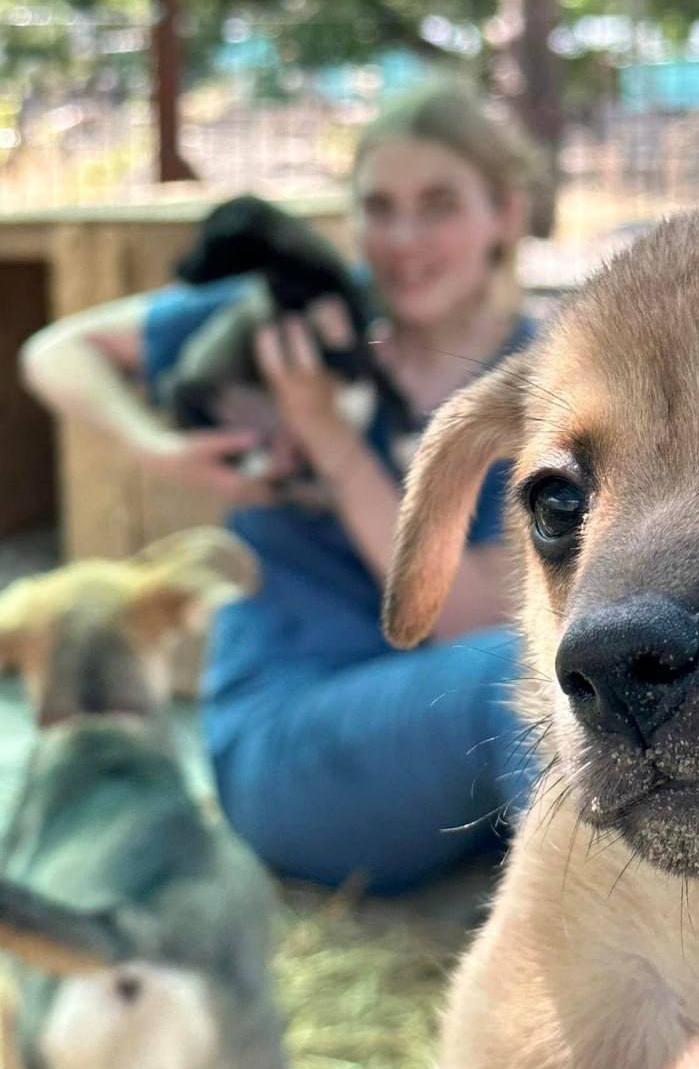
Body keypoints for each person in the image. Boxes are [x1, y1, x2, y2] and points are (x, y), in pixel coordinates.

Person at [20, 83, 540, 893]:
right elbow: (56, 351)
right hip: (290, 744)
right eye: (378, 207)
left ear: (504, 214)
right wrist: (158, 446)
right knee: (521, 674)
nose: (403, 239)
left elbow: (479, 606)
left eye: (439, 205)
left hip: (440, 757)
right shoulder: (297, 316)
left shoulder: (548, 382)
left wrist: (331, 438)